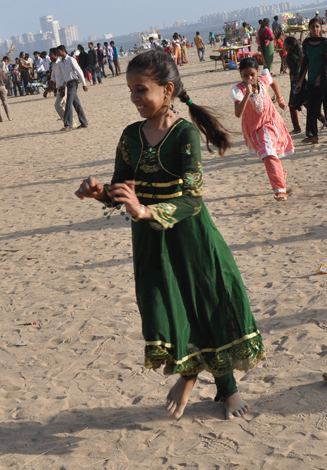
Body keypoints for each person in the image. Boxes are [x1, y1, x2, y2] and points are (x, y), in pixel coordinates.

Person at [75, 51, 264, 420]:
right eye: (130, 91)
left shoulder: (185, 134)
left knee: (205, 305)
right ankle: (189, 370)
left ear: (168, 90)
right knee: (163, 308)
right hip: (150, 241)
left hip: (191, 236)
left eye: (141, 90)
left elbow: (193, 198)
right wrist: (100, 192)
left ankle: (227, 392)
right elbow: (123, 188)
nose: (134, 98)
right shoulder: (130, 136)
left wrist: (147, 211)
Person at [232, 57, 294, 200]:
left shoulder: (263, 80)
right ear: (241, 75)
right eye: (245, 75)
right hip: (255, 128)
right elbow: (238, 113)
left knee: (268, 152)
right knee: (268, 155)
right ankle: (280, 174)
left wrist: (280, 99)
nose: (249, 78)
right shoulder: (238, 90)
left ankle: (280, 190)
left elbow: (273, 82)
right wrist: (247, 94)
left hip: (270, 122)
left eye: (252, 74)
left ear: (257, 72)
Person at [296, 17, 327, 144]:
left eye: (317, 26)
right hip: (311, 81)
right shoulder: (306, 43)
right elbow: (305, 62)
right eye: (312, 27)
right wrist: (300, 81)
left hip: (325, 80)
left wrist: (320, 77)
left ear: (320, 28)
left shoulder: (325, 42)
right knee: (312, 109)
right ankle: (312, 135)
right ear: (309, 28)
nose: (315, 29)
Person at [56, 45, 89, 131]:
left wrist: (84, 84)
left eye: (58, 51)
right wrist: (62, 86)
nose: (57, 53)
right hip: (68, 83)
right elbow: (64, 76)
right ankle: (84, 122)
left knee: (68, 103)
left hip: (74, 82)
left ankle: (68, 125)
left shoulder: (71, 60)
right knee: (76, 103)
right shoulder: (61, 62)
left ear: (63, 51)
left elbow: (79, 71)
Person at [283, 36, 305, 134]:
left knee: (293, 105)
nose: (283, 45)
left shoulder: (293, 56)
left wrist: (298, 75)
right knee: (305, 102)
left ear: (289, 46)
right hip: (295, 82)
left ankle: (297, 128)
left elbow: (302, 64)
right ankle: (324, 120)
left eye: (284, 44)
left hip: (297, 82)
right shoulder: (291, 55)